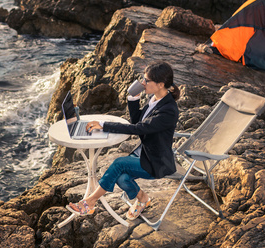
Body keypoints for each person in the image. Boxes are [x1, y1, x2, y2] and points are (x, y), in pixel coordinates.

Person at [66, 61, 180, 220]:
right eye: (143, 79)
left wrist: (104, 125)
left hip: (157, 162)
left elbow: (139, 129)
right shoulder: (155, 98)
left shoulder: (168, 110)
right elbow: (137, 122)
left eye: (147, 81)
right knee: (121, 176)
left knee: (119, 164)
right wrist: (133, 99)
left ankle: (90, 202)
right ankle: (143, 199)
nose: (143, 83)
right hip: (145, 153)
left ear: (161, 84)